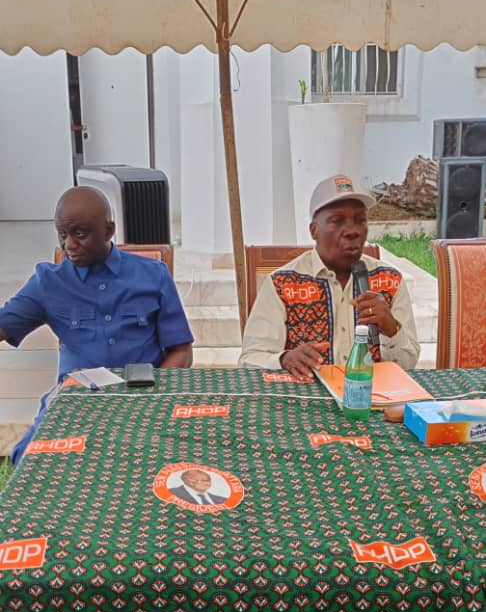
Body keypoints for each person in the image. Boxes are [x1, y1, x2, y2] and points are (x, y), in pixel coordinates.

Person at [0, 186, 194, 464]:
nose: (69, 245)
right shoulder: (48, 282)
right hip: (75, 402)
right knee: (32, 461)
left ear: (109, 230)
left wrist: (150, 396)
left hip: (143, 399)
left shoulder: (152, 276)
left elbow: (182, 352)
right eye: (62, 234)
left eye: (80, 234)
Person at [239, 174, 420, 380]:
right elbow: (249, 361)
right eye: (337, 220)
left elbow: (408, 365)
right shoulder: (282, 284)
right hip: (306, 405)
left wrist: (391, 328)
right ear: (314, 230)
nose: (352, 231)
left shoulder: (389, 281)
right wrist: (284, 359)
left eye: (360, 221)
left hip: (372, 403)